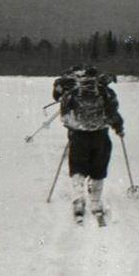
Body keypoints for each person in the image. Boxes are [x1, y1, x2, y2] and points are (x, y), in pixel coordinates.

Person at [52, 65, 124, 220]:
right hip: (100, 135)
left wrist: (72, 127)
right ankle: (96, 201)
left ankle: (78, 199)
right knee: (99, 167)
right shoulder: (104, 91)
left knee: (77, 166)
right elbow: (113, 111)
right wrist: (119, 127)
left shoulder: (72, 91)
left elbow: (64, 111)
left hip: (78, 135)